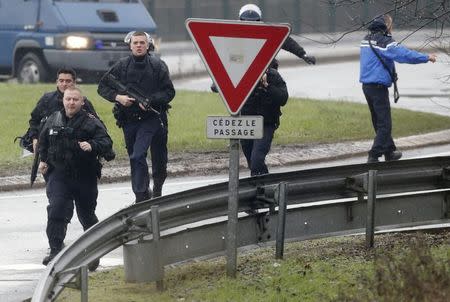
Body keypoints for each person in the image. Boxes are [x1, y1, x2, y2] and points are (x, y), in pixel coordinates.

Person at [38, 87, 113, 269]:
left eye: (75, 100)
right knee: (56, 210)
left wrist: (92, 145)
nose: (71, 103)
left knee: (86, 216)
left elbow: (107, 144)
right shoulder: (53, 120)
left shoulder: (91, 122)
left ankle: (93, 253)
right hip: (59, 175)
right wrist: (43, 161)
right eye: (68, 99)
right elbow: (43, 143)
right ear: (63, 100)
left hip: (84, 176)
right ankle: (55, 251)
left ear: (82, 102)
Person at [97, 31, 175, 202]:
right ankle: (141, 195)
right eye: (135, 43)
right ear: (130, 45)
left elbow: (169, 92)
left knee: (158, 159)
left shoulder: (158, 65)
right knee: (136, 157)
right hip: (129, 120)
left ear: (148, 45)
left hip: (155, 118)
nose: (139, 45)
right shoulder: (121, 66)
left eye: (142, 42)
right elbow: (102, 86)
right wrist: (119, 98)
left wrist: (150, 101)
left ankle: (157, 191)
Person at [360, 14, 437, 163]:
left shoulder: (366, 39)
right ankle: (374, 155)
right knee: (385, 124)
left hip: (367, 87)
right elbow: (404, 55)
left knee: (378, 121)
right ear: (386, 26)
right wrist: (426, 57)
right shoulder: (384, 42)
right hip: (378, 87)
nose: (392, 28)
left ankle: (389, 151)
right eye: (391, 25)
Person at [28, 67, 98, 153]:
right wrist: (34, 138)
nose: (64, 84)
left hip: (76, 149)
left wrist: (91, 144)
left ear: (74, 83)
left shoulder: (83, 102)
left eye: (68, 81)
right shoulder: (47, 100)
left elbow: (97, 126)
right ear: (57, 82)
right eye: (61, 81)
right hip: (50, 148)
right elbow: (34, 121)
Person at [241, 68, 289, 175]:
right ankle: (264, 184)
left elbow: (283, 98)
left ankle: (260, 187)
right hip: (246, 123)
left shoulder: (273, 75)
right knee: (252, 162)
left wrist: (267, 85)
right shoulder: (243, 73)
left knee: (256, 160)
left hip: (266, 123)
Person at [239, 3, 316, 68]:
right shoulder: (232, 33)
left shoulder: (268, 32)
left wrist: (303, 55)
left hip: (266, 69)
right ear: (241, 20)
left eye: (255, 21)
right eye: (246, 21)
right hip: (239, 68)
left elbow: (287, 42)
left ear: (259, 20)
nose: (250, 24)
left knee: (277, 81)